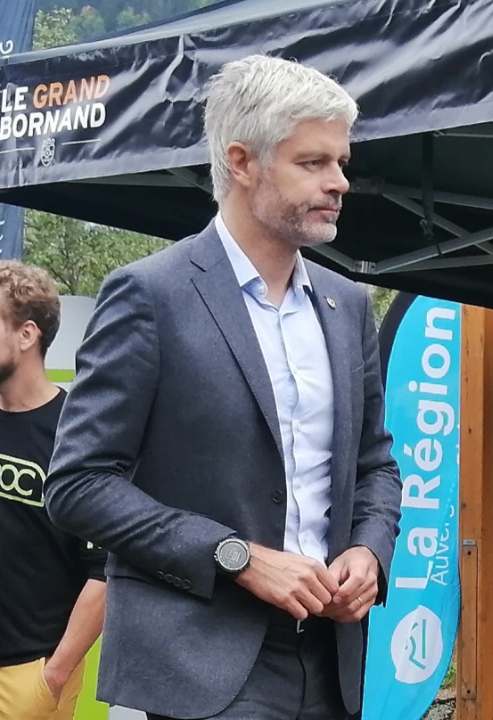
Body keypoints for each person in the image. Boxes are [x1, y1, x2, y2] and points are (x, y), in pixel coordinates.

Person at [45, 55, 403, 720]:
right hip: (203, 663)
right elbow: (79, 484)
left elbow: (375, 465)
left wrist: (369, 552)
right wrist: (234, 555)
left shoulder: (347, 304)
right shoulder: (150, 295)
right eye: (314, 162)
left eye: (341, 162)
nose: (340, 183)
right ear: (241, 162)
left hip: (331, 656)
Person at [0, 260, 106, 720]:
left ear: (27, 335)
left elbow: (105, 571)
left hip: (29, 673)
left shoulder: (78, 436)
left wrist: (53, 675)